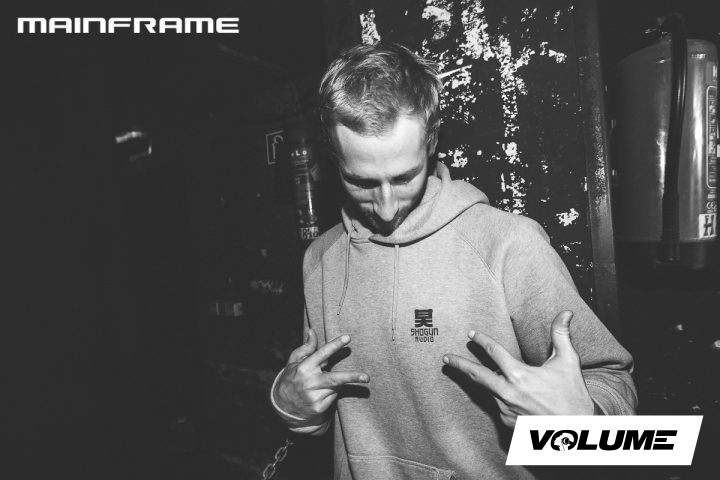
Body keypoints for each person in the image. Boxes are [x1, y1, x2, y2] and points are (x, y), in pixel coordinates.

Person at [270, 42, 637, 480]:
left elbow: (616, 386)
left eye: (404, 177)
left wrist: (579, 425)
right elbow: (318, 416)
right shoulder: (320, 260)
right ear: (334, 158)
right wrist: (289, 403)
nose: (386, 207)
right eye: (361, 182)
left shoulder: (508, 245)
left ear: (431, 142)